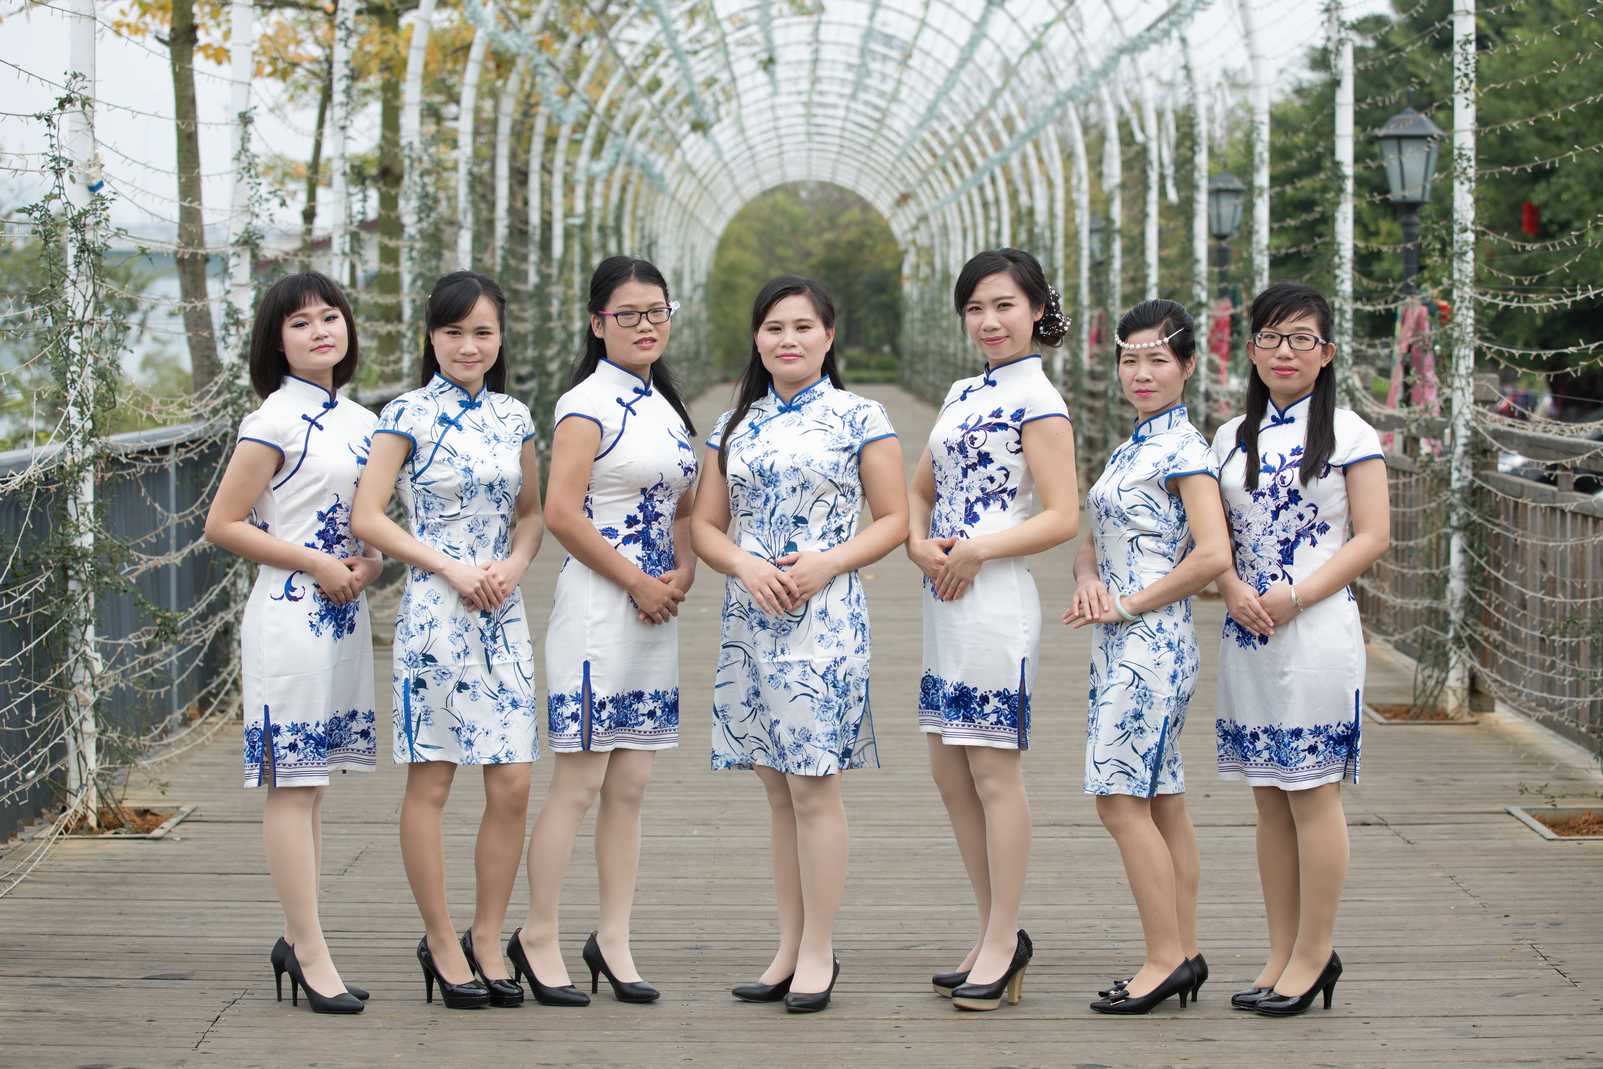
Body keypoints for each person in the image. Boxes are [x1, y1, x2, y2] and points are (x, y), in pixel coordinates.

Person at [691, 276, 908, 1013]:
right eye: (774, 327)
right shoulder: (734, 425)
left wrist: (828, 562)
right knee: (776, 787)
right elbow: (705, 526)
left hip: (825, 616)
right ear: (756, 338)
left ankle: (819, 948)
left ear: (828, 335)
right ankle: (788, 945)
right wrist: (744, 565)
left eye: (803, 326)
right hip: (749, 616)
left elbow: (893, 518)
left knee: (814, 785)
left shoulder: (860, 416)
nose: (788, 339)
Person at [352, 271, 543, 1010]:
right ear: (430, 338)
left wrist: (514, 565)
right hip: (436, 608)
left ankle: (487, 936)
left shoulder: (514, 416)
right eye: (454, 331)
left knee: (513, 779)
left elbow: (531, 514)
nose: (469, 345)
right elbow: (370, 515)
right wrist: (447, 566)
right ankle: (439, 940)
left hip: (502, 610)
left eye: (483, 332)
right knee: (432, 780)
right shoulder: (406, 413)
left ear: (500, 338)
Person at [511, 257, 699, 1006]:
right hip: (599, 606)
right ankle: (538, 934)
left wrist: (680, 571)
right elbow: (561, 512)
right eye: (628, 314)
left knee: (632, 783)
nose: (646, 325)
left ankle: (613, 938)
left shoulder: (666, 407)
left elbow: (684, 506)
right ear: (597, 323)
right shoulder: (585, 402)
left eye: (657, 311)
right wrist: (637, 581)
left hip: (655, 609)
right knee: (581, 782)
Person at [1211, 281, 1390, 1017]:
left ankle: (1315, 953)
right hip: (1246, 633)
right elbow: (1213, 537)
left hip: (1313, 630)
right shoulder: (1228, 437)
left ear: (1327, 352)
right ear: (1251, 349)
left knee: (1312, 794)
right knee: (1268, 799)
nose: (1284, 351)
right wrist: (1229, 587)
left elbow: (1372, 536)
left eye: (1301, 339)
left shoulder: (1350, 433)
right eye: (1270, 337)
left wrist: (1298, 595)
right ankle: (1279, 949)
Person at [907, 248, 1079, 1012]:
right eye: (975, 307)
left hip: (995, 599)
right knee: (950, 773)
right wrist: (916, 541)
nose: (988, 320)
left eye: (1004, 305)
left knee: (992, 773)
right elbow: (919, 488)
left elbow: (1062, 515)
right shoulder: (960, 393)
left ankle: (1004, 938)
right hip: (943, 597)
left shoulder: (1038, 400)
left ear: (1037, 310)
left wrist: (980, 549)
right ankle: (988, 931)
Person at [204, 270, 380, 1015]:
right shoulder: (272, 420)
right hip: (289, 614)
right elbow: (223, 523)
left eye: (329, 317)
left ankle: (294, 937)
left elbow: (368, 519)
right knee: (293, 781)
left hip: (344, 612)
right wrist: (314, 562)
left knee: (315, 786)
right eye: (300, 323)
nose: (319, 331)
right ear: (276, 342)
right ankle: (311, 955)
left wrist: (370, 562)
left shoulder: (363, 420)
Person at [1064, 299, 1230, 1014]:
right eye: (1129, 358)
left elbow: (1212, 554)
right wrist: (1088, 580)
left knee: (1119, 799)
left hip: (1152, 644)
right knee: (1161, 800)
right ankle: (1182, 951)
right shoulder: (1129, 447)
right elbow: (1091, 539)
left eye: (1157, 359)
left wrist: (1130, 604)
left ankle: (1163, 959)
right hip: (1118, 640)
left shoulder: (1186, 449)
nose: (1141, 371)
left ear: (1187, 366)